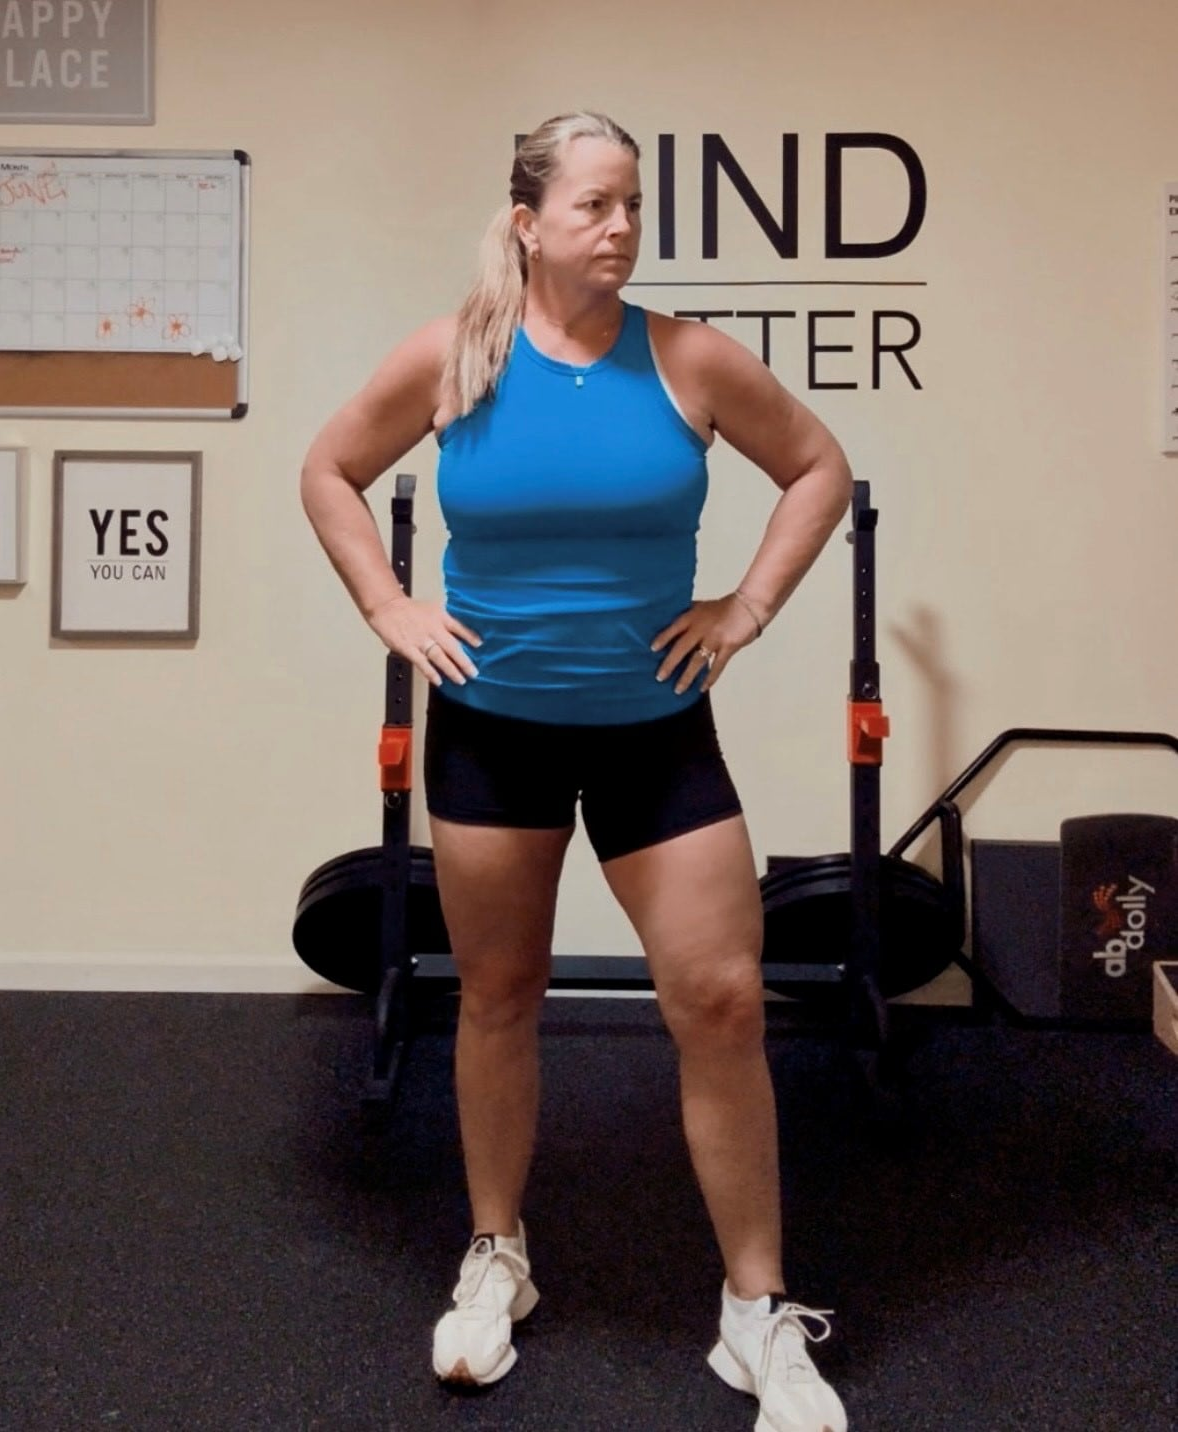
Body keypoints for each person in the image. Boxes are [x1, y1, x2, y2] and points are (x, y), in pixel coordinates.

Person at [301, 110, 854, 1432]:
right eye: (594, 206)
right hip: (494, 729)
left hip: (653, 725)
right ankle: (498, 1256)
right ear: (528, 220)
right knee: (496, 996)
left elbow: (817, 468)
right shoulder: (455, 357)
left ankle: (752, 1313)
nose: (618, 228)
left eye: (632, 207)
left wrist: (745, 609)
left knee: (719, 998)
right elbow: (326, 468)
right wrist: (387, 606)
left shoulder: (688, 359)